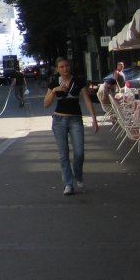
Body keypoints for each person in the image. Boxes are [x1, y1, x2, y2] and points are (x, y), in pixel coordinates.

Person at [43, 57, 99, 195]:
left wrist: (94, 119)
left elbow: (86, 100)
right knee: (64, 154)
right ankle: (68, 184)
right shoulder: (54, 82)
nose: (65, 69)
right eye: (61, 67)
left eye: (66, 66)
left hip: (75, 120)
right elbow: (46, 103)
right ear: (57, 69)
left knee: (79, 152)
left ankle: (78, 175)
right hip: (59, 120)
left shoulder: (78, 81)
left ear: (70, 66)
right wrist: (54, 90)